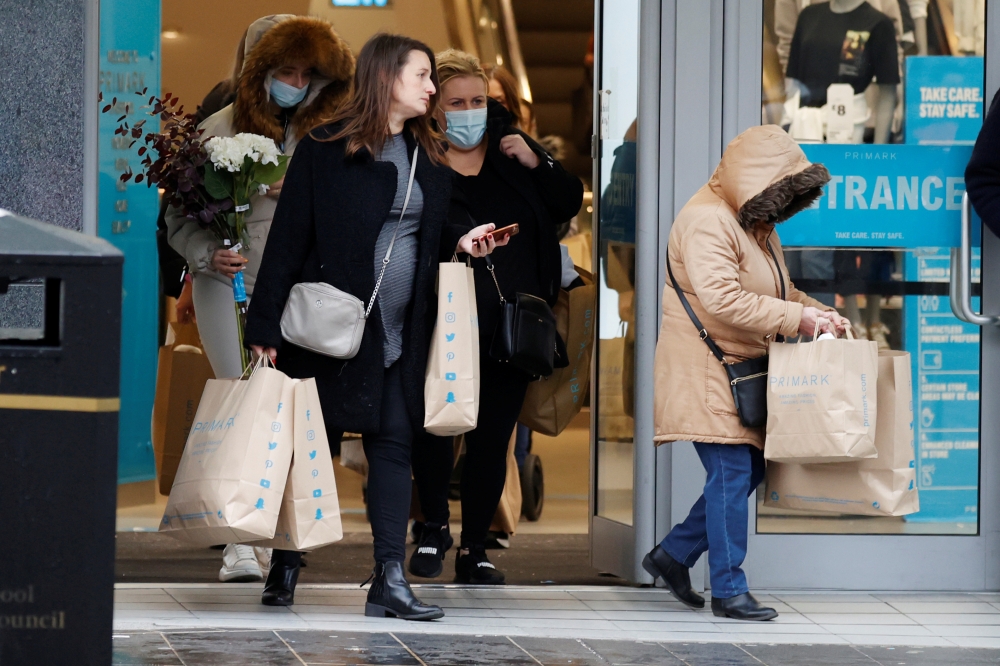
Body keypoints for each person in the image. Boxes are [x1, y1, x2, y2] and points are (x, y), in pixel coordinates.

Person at [243, 34, 506, 619]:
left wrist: (461, 240)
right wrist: (263, 326)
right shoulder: (323, 149)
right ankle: (287, 559)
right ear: (387, 77)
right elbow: (288, 241)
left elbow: (427, 230)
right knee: (308, 449)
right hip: (325, 331)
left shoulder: (429, 155)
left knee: (394, 444)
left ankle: (388, 577)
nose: (433, 88)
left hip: (397, 333)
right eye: (423, 77)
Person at [166, 14, 355, 584]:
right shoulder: (215, 130)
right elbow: (176, 216)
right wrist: (207, 256)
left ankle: (273, 533)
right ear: (256, 70)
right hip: (230, 285)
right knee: (242, 405)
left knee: (290, 415)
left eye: (305, 73)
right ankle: (237, 542)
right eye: (282, 71)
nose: (294, 83)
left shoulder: (329, 131)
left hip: (301, 292)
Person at [648, 126, 848, 621]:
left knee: (747, 470)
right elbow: (722, 299)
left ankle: (672, 556)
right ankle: (729, 590)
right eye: (782, 192)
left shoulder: (754, 226)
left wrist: (818, 313)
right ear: (757, 181)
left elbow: (782, 292)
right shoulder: (708, 222)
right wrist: (794, 320)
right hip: (706, 367)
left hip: (738, 369)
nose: (783, 208)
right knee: (732, 472)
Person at [408, 49, 583, 585]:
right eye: (457, 101)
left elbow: (567, 203)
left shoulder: (514, 153)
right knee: (437, 428)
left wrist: (540, 161)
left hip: (511, 320)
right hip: (445, 316)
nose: (469, 111)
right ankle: (434, 528)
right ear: (435, 107)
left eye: (478, 100)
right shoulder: (420, 158)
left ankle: (475, 547)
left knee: (492, 438)